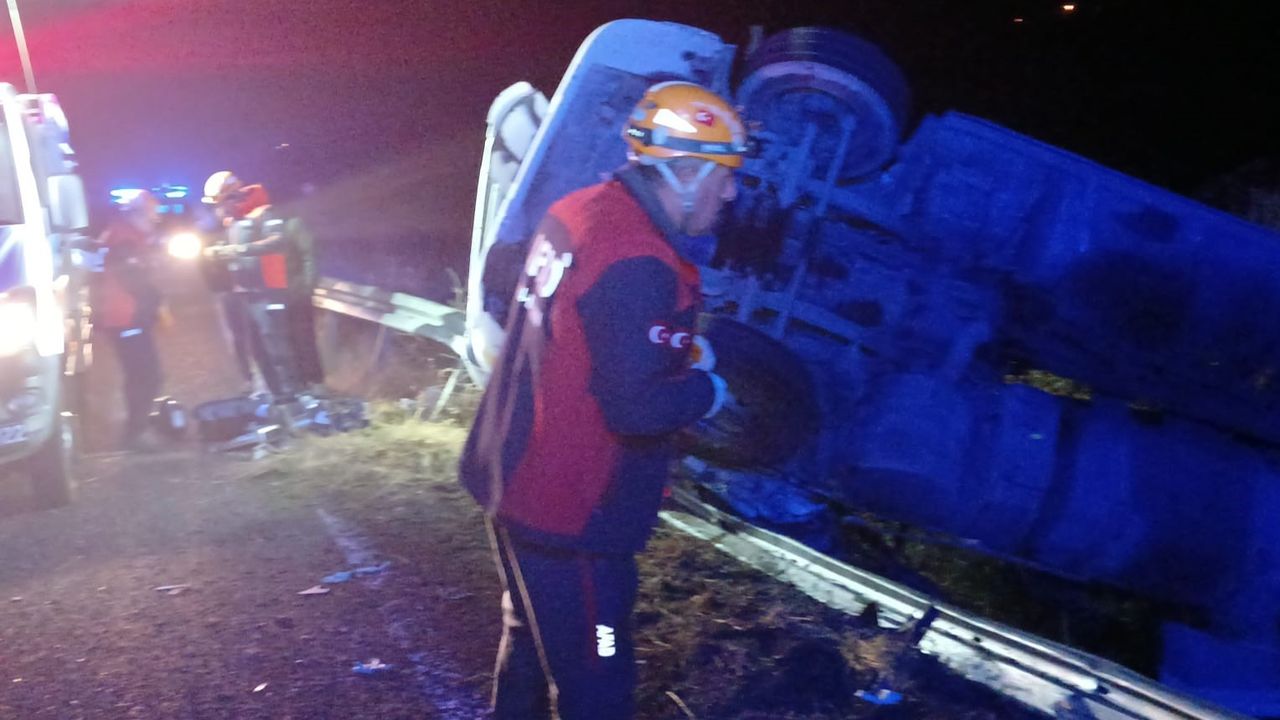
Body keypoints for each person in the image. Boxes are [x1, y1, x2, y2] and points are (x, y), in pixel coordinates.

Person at [458, 81, 749, 719]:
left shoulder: (578, 209)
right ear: (687, 172)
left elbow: (579, 334)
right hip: (572, 517)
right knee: (601, 677)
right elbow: (636, 409)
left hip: (511, 475)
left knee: (528, 640)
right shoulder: (640, 262)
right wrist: (707, 388)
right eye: (726, 175)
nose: (731, 193)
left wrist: (670, 350)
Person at [202, 173, 323, 399]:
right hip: (252, 294)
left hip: (277, 291)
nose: (219, 209)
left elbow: (286, 250)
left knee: (292, 342)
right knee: (262, 347)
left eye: (220, 203)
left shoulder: (266, 216)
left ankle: (305, 389)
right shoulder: (235, 220)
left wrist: (304, 287)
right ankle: (279, 392)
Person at [92, 191, 166, 451]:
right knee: (146, 375)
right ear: (138, 214)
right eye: (152, 214)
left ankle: (138, 426)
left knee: (143, 374)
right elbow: (133, 280)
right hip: (125, 318)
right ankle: (136, 432)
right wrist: (156, 301)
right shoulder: (124, 240)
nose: (155, 219)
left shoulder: (123, 235)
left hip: (125, 316)